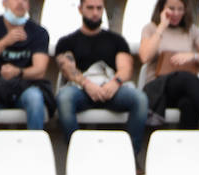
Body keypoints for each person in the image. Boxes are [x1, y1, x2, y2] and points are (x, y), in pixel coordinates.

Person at [0, 0, 54, 173]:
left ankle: (35, 157)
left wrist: (18, 72)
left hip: (24, 86)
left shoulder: (38, 32)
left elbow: (40, 70)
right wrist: (4, 42)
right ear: (4, 2)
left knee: (35, 98)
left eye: (25, 0)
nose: (20, 3)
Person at [55, 0, 147, 154]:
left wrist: (115, 83)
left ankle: (131, 157)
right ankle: (77, 155)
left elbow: (125, 69)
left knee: (140, 99)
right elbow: (68, 69)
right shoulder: (67, 42)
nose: (95, 13)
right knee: (64, 98)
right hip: (81, 90)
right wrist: (87, 84)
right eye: (90, 8)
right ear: (80, 10)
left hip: (111, 88)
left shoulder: (116, 40)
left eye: (99, 8)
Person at [138, 0, 199, 135]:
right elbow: (145, 57)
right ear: (162, 9)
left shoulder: (191, 30)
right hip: (158, 88)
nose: (176, 13)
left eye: (180, 9)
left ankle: (186, 148)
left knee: (189, 103)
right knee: (184, 76)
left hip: (184, 89)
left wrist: (193, 56)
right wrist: (161, 27)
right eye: (171, 8)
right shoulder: (151, 28)